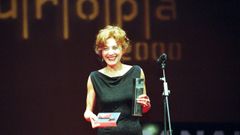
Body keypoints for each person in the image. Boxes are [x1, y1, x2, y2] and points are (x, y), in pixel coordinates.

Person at [84, 25, 151, 135]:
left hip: (132, 132)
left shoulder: (137, 72)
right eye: (106, 48)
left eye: (115, 48)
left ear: (123, 49)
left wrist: (146, 106)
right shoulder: (94, 77)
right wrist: (90, 116)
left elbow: (141, 110)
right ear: (101, 52)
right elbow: (87, 112)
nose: (110, 53)